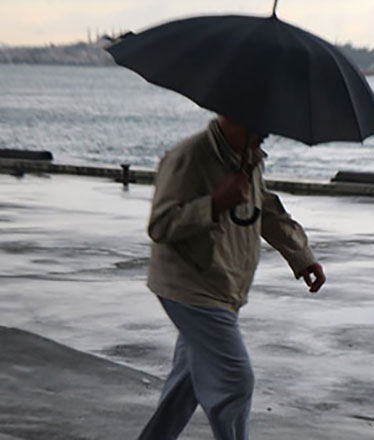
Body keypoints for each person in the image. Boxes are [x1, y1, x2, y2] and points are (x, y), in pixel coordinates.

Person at [138, 115, 326, 440]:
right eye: (258, 124)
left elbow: (263, 208)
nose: (266, 132)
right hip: (190, 287)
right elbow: (160, 224)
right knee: (235, 381)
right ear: (231, 117)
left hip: (224, 285)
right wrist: (214, 204)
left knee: (185, 385)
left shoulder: (248, 159)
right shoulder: (188, 156)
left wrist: (301, 255)